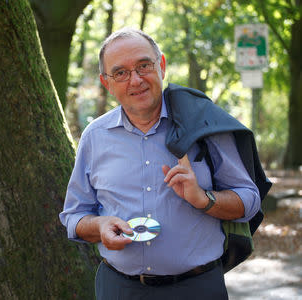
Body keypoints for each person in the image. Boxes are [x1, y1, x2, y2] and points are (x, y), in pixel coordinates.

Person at [59, 28, 261, 299]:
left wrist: (203, 199)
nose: (135, 80)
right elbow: (73, 216)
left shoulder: (204, 124)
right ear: (106, 82)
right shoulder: (94, 137)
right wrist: (99, 226)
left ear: (162, 66)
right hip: (119, 288)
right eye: (121, 72)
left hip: (198, 287)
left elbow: (249, 200)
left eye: (144, 66)